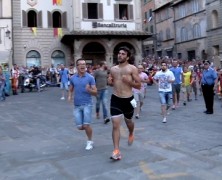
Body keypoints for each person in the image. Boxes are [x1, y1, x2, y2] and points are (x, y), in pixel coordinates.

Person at [108, 46, 141, 160]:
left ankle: (131, 132)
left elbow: (139, 85)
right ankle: (116, 151)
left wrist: (129, 82)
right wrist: (110, 82)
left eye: (122, 54)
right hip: (116, 98)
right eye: (119, 53)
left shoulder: (132, 69)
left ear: (127, 57)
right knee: (115, 124)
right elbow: (112, 83)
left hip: (128, 99)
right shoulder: (113, 69)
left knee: (129, 122)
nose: (120, 55)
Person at [68, 58, 97, 150]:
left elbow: (95, 92)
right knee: (80, 127)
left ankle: (89, 141)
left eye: (84, 64)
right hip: (77, 105)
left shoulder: (90, 78)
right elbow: (71, 88)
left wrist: (89, 90)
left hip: (87, 104)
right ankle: (87, 129)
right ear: (77, 66)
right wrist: (69, 96)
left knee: (86, 125)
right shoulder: (73, 78)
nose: (83, 66)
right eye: (80, 64)